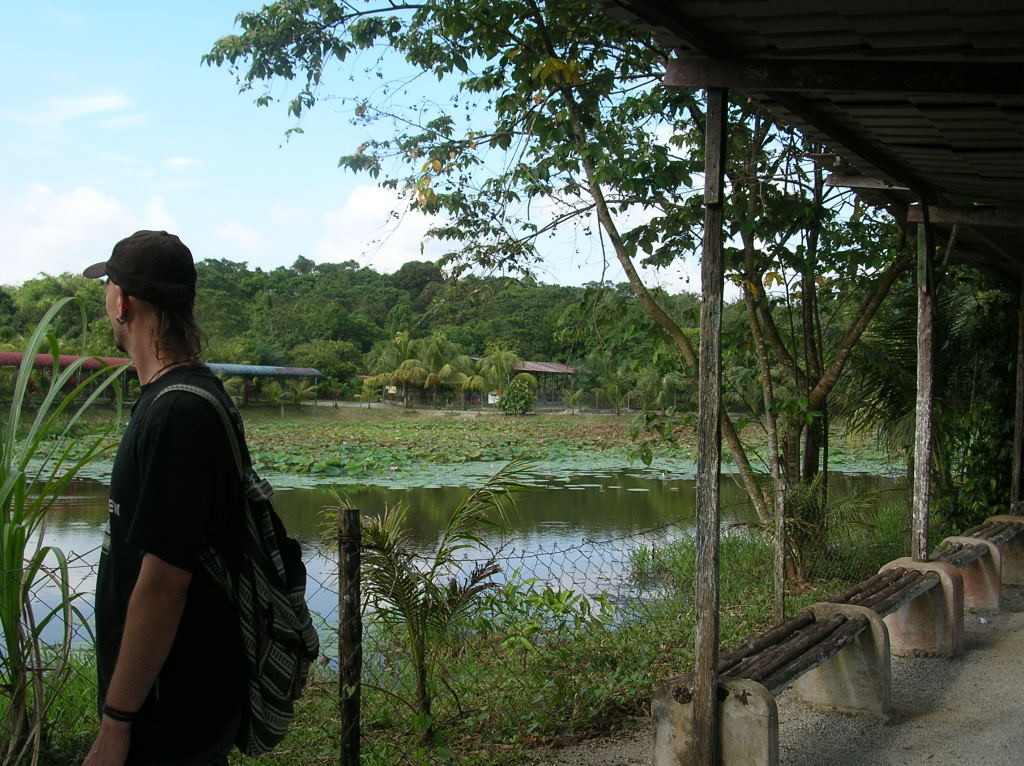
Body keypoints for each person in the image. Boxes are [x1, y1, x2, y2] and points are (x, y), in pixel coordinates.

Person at [82, 231, 246, 766]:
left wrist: (117, 723)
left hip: (171, 710)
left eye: (108, 286)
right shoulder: (181, 397)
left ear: (121, 301)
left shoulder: (179, 413)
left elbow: (164, 583)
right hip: (171, 697)